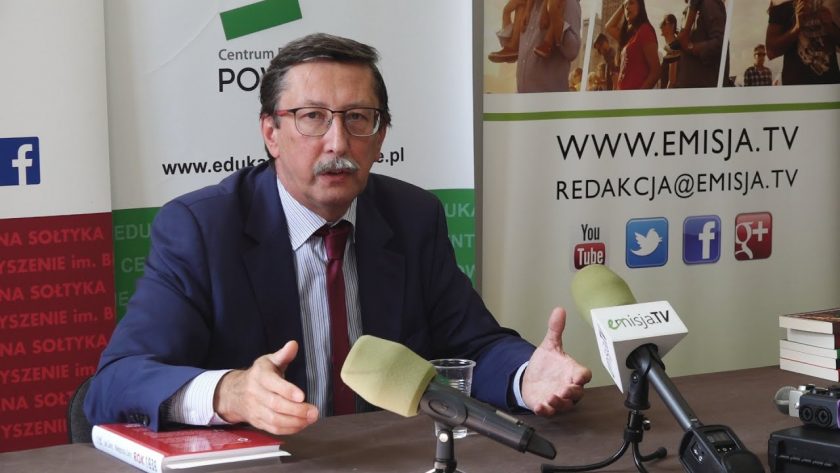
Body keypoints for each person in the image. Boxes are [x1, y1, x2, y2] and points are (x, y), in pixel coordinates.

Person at [84, 33, 592, 435]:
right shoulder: (202, 229)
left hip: (387, 458)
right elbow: (116, 382)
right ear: (271, 133)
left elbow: (473, 345)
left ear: (381, 135)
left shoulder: (413, 217)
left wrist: (527, 375)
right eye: (312, 118)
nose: (338, 142)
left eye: (357, 119)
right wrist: (229, 393)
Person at [765, 0, 840, 85]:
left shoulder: (833, 3)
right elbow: (771, 51)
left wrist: (830, 26)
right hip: (796, 86)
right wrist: (797, 28)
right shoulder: (781, 4)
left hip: (830, 84)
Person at [515, 0, 582, 92]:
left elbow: (572, 51)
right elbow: (517, 53)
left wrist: (554, 14)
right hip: (522, 96)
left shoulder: (569, 2)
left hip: (550, 98)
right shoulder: (527, 5)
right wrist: (506, 13)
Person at [605, 0, 661, 90]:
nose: (627, 7)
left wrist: (639, 95)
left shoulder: (645, 30)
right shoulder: (628, 36)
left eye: (631, 3)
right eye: (625, 5)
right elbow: (609, 27)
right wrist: (622, 5)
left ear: (640, 7)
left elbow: (656, 71)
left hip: (635, 96)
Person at [674, 0, 728, 88]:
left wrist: (691, 47)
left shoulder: (709, 4)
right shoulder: (688, 11)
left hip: (704, 88)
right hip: (690, 88)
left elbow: (720, 43)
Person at [659, 13, 681, 88]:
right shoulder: (670, 48)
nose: (660, 25)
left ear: (672, 26)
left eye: (664, 23)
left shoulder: (674, 47)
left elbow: (672, 81)